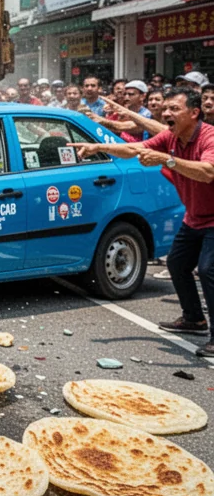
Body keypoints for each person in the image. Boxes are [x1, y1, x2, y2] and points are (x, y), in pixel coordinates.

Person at [73, 88, 214, 357]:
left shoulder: (209, 137)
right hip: (194, 216)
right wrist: (97, 147)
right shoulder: (171, 136)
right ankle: (194, 319)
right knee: (177, 263)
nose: (166, 113)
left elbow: (208, 172)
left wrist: (168, 160)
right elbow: (133, 148)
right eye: (166, 109)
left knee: (208, 270)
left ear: (194, 113)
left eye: (174, 109)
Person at [88, 80, 159, 142]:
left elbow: (121, 127)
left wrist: (98, 119)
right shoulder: (119, 113)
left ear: (142, 96)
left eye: (131, 94)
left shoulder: (146, 114)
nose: (126, 97)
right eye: (125, 94)